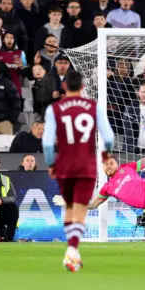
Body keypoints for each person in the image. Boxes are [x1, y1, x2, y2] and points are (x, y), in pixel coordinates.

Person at [42, 71, 115, 272]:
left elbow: (47, 142)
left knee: (69, 208)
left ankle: (72, 250)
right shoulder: (94, 107)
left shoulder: (54, 109)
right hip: (86, 165)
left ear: (64, 87)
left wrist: (50, 163)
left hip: (64, 165)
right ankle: (73, 249)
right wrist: (106, 154)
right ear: (83, 87)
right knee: (80, 209)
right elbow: (108, 136)